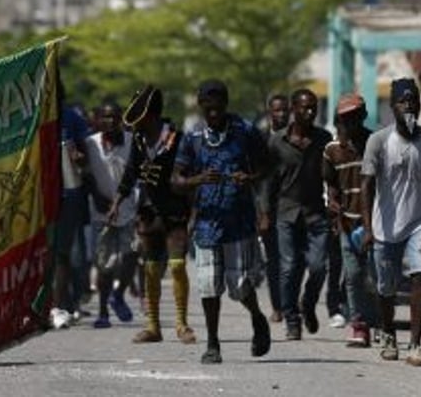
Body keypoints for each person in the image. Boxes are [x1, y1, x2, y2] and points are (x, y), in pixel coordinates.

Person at [171, 80, 271, 365]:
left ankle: (257, 317)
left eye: (218, 108)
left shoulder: (245, 132)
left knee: (238, 286)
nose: (213, 113)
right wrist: (197, 179)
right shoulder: (192, 138)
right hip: (206, 223)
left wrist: (249, 177)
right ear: (201, 106)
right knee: (208, 285)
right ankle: (213, 343)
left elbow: (267, 165)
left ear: (226, 105)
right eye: (208, 108)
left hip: (238, 222)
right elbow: (175, 181)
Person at [360, 77, 421, 367]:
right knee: (386, 288)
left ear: (420, 104)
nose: (409, 104)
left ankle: (415, 344)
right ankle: (388, 332)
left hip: (420, 223)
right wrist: (368, 228)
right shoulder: (379, 141)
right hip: (386, 227)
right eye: (403, 100)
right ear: (392, 106)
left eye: (413, 99)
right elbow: (366, 185)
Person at [108, 85, 196, 345]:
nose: (134, 125)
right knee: (151, 269)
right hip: (148, 213)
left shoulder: (177, 139)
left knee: (178, 266)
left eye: (139, 118)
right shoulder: (138, 141)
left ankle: (182, 325)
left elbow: (189, 175)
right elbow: (130, 174)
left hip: (175, 211)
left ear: (152, 116)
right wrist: (117, 202)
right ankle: (153, 327)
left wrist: (195, 211)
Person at [259, 88, 333, 341]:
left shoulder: (324, 139)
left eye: (314, 107)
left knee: (319, 266)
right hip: (286, 213)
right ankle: (292, 319)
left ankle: (308, 303)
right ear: (293, 109)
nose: (310, 111)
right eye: (305, 107)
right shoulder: (276, 142)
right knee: (289, 267)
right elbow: (267, 182)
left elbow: (331, 176)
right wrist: (265, 213)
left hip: (315, 213)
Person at [323, 92, 377, 347]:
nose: (350, 121)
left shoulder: (376, 144)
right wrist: (334, 205)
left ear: (363, 116)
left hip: (377, 224)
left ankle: (379, 321)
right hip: (348, 222)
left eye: (355, 116)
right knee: (353, 275)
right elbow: (331, 184)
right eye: (345, 117)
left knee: (377, 276)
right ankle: (358, 325)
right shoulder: (332, 150)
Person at [84, 102, 137, 329]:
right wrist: (96, 195)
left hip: (128, 210)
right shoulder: (90, 144)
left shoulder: (133, 141)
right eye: (106, 117)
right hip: (101, 214)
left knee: (131, 255)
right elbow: (84, 174)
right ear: (97, 120)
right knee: (104, 265)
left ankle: (119, 294)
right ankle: (103, 311)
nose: (111, 121)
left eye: (115, 117)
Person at [51, 86, 91, 329]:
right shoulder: (29, 117)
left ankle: (62, 305)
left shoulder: (71, 118)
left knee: (66, 253)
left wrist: (79, 158)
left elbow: (86, 157)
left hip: (69, 194)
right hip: (38, 196)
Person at [254, 93, 290, 324]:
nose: (282, 114)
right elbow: (260, 181)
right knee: (275, 262)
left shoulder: (296, 139)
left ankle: (290, 304)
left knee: (293, 261)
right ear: (270, 113)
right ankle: (278, 306)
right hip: (268, 210)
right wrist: (262, 213)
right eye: (277, 110)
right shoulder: (262, 141)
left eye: (285, 110)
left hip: (293, 207)